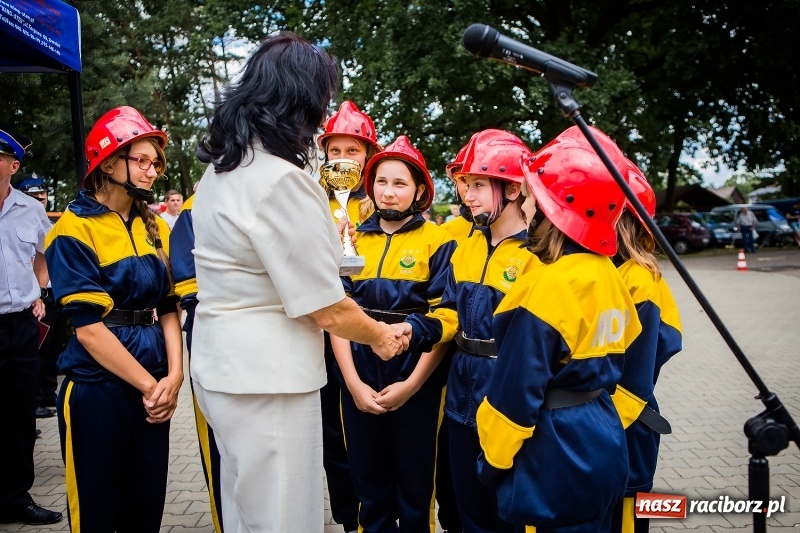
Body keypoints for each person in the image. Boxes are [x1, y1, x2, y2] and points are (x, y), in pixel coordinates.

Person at [190, 32, 411, 533]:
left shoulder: (222, 173)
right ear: (301, 102)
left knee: (248, 509)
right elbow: (326, 307)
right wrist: (379, 336)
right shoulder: (281, 180)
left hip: (225, 365)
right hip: (270, 378)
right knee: (285, 517)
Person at [475, 126, 642, 532]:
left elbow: (513, 396)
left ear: (554, 208)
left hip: (552, 453)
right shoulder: (609, 273)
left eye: (532, 196)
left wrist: (493, 463)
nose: (527, 206)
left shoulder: (547, 285)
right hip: (602, 438)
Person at [45, 106, 183, 532]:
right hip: (97, 390)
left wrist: (175, 377)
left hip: (155, 388)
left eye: (155, 161)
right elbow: (87, 330)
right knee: (98, 514)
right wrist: (151, 387)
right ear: (108, 163)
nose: (151, 171)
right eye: (140, 160)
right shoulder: (72, 230)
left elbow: (168, 307)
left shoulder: (155, 225)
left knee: (145, 511)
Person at [405, 129, 540, 533]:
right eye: (465, 184)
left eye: (479, 184)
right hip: (459, 402)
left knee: (506, 514)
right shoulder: (465, 248)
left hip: (506, 402)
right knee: (464, 511)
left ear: (514, 188)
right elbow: (448, 313)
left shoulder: (539, 256)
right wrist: (412, 331)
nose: (467, 195)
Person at [330, 135, 456, 533]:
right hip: (360, 378)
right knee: (369, 485)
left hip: (416, 379)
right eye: (381, 181)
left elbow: (443, 323)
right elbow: (338, 312)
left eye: (400, 183)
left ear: (419, 190)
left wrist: (412, 386)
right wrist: (352, 384)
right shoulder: (350, 238)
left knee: (417, 488)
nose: (388, 191)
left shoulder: (438, 240)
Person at [317, 99, 383, 533]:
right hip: (320, 339)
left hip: (372, 338)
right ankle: (348, 521)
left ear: (369, 156)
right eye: (334, 151)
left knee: (372, 444)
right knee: (333, 441)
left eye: (352, 151)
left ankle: (380, 515)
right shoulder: (311, 202)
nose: (342, 160)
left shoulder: (384, 203)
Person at [609, 161, 683, 533]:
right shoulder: (608, 271)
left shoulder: (640, 280)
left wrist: (596, 431)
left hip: (626, 430)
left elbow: (636, 379)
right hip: (605, 429)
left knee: (628, 517)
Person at [0, 125, 63, 526]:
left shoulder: (30, 208)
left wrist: (40, 291)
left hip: (20, 324)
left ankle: (15, 498)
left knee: (19, 414)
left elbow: (44, 253)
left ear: (12, 165)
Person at [169, 190, 224, 532]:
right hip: (216, 339)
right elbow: (190, 289)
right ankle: (225, 523)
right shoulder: (196, 206)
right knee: (218, 441)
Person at [13, 175, 63, 419]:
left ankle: (45, 394)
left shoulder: (45, 220)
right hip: (28, 299)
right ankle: (35, 400)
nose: (40, 199)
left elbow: (51, 255)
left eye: (42, 195)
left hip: (49, 294)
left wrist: (44, 291)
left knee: (49, 348)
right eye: (34, 195)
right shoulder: (20, 216)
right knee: (37, 352)